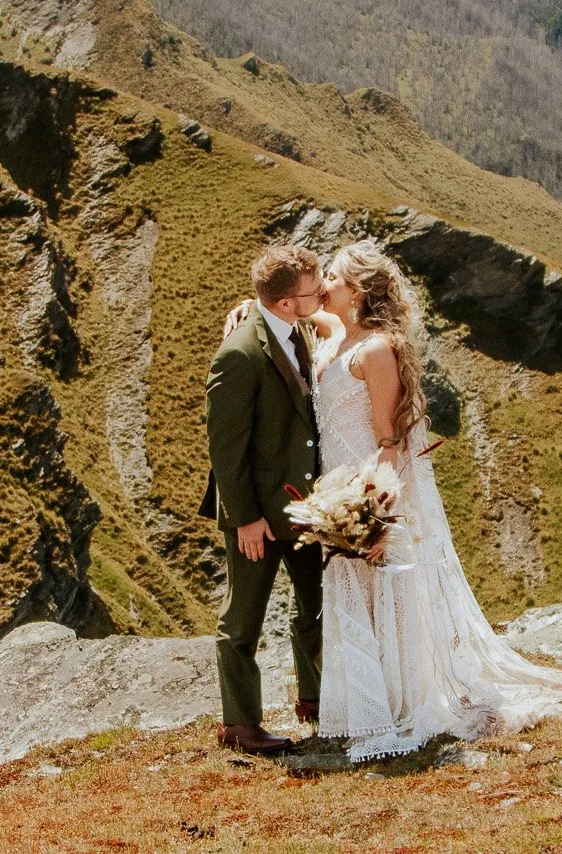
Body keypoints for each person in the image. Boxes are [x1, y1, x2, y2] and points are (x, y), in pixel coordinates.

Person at [224, 239, 562, 762]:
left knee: (387, 598)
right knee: (354, 599)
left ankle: (402, 703)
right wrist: (248, 307)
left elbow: (389, 441)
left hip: (365, 493)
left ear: (358, 292)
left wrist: (373, 513)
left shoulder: (376, 349)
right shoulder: (338, 330)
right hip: (335, 494)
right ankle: (369, 703)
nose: (324, 285)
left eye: (335, 280)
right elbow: (288, 310)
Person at [199, 243, 328, 755]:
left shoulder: (296, 328)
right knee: (243, 620)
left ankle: (316, 701)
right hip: (258, 516)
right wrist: (248, 519)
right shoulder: (238, 354)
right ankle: (241, 726)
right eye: (311, 291)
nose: (320, 294)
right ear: (284, 303)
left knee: (316, 609)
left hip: (304, 508)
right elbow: (225, 451)